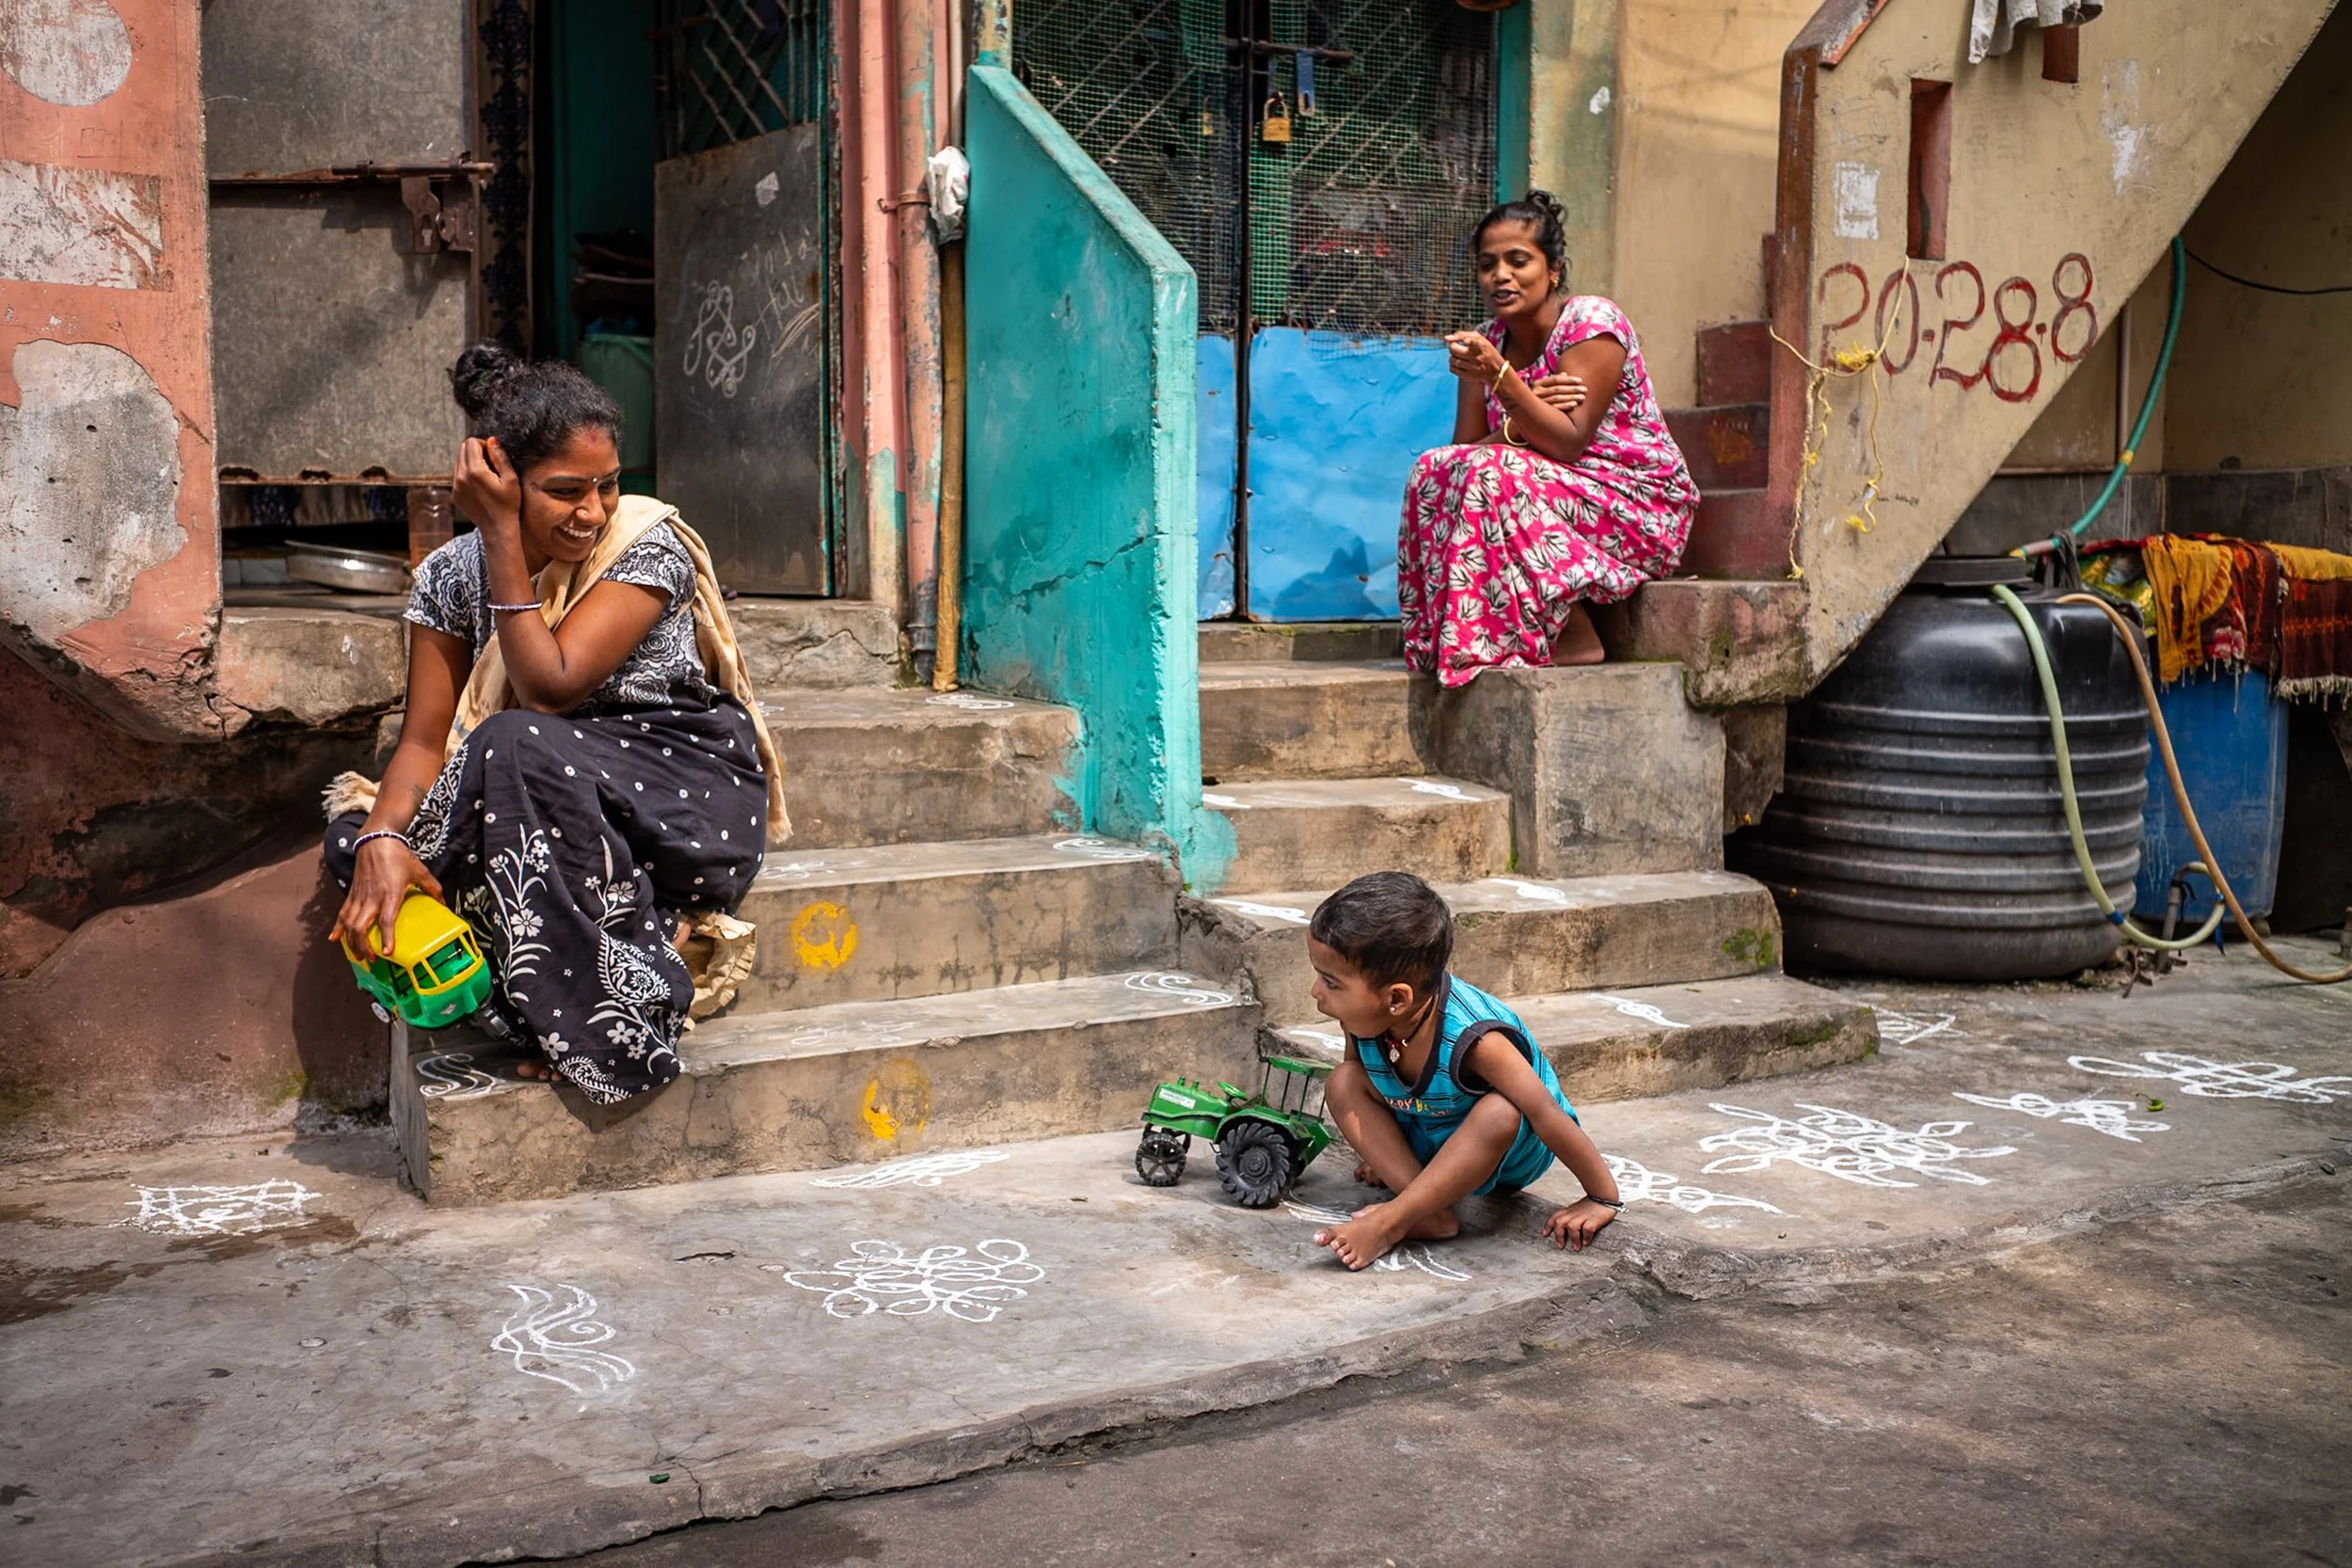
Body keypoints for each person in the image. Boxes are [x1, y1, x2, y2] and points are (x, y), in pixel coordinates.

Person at [324, 342, 790, 1104]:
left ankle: (620, 1014)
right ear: (501, 476)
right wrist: (381, 839)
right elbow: (421, 742)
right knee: (359, 837)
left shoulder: (645, 546)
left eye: (607, 485)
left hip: (678, 788)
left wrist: (506, 536)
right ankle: (547, 1002)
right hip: (541, 795)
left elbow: (548, 686)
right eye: (566, 490)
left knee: (513, 745)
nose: (593, 511)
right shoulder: (447, 576)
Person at [1399, 191, 1698, 687]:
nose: (1501, 276)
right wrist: (1521, 415)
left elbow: (1567, 442)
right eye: (1488, 264)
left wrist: (1504, 383)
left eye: (1519, 261)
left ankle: (1573, 637)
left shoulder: (1591, 324)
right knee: (1432, 470)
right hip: (1553, 493)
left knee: (1497, 473)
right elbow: (1465, 455)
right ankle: (1465, 637)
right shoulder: (1487, 343)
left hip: (1635, 504)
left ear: (1553, 269)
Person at [1305, 871, 1622, 1270]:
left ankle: (1392, 1219)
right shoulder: (1361, 1020)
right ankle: (1429, 1213)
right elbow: (1362, 1083)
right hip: (1427, 1124)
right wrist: (1384, 1153)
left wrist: (1601, 1196)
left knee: (1500, 1110)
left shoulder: (1476, 1040)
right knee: (1343, 1082)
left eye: (1330, 982)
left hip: (1505, 1152)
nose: (1316, 991)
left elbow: (1545, 1113)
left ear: (1397, 999)